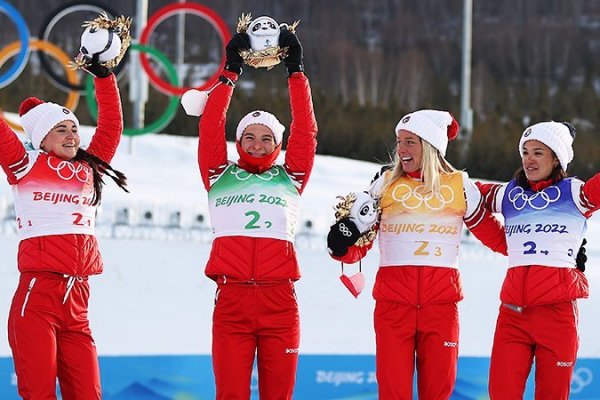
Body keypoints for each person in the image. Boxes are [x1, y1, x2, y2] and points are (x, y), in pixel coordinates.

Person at [327, 109, 507, 400]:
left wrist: (547, 245)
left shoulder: (461, 187)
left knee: (437, 393)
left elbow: (499, 240)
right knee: (393, 393)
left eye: (410, 141)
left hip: (441, 308)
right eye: (399, 141)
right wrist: (341, 244)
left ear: (431, 145)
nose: (401, 149)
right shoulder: (384, 184)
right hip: (393, 308)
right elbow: (357, 248)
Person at [196, 27, 317, 399]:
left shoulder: (291, 177)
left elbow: (306, 131)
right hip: (232, 302)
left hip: (280, 303)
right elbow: (210, 125)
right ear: (238, 142)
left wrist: (295, 72)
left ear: (278, 145)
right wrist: (230, 72)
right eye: (250, 136)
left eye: (267, 138)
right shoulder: (219, 174)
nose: (258, 144)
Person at [0, 55, 127, 399]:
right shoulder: (23, 164)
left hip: (78, 301)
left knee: (88, 393)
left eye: (74, 128)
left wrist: (103, 76)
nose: (72, 135)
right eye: (61, 129)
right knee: (39, 393)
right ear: (42, 137)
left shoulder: (91, 168)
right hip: (37, 299)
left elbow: (112, 126)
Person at [477, 121, 600, 399]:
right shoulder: (509, 193)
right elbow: (467, 194)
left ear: (557, 158)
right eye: (525, 152)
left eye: (538, 152)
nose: (529, 159)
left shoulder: (574, 193)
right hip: (512, 315)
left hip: (556, 315)